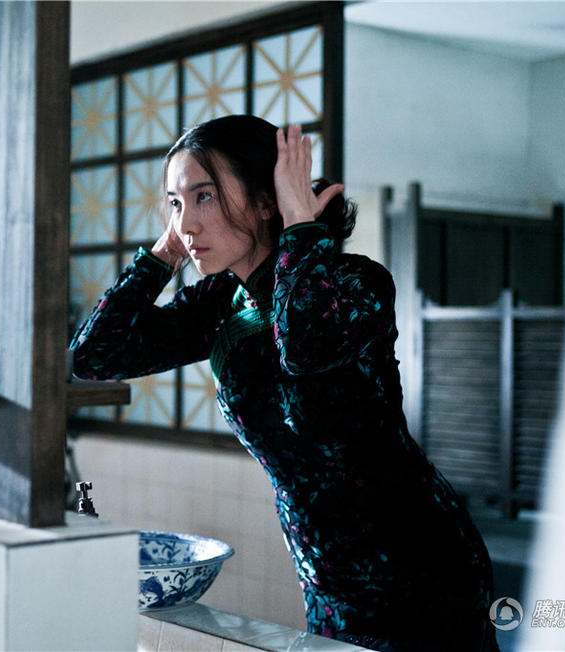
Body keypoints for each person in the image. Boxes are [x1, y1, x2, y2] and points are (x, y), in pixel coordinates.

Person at [69, 114, 501, 652]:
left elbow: (304, 355)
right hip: (328, 585)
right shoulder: (219, 304)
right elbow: (93, 355)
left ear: (266, 200)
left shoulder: (356, 284)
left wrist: (300, 223)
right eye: (176, 204)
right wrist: (164, 255)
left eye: (204, 197)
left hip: (424, 569)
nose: (187, 223)